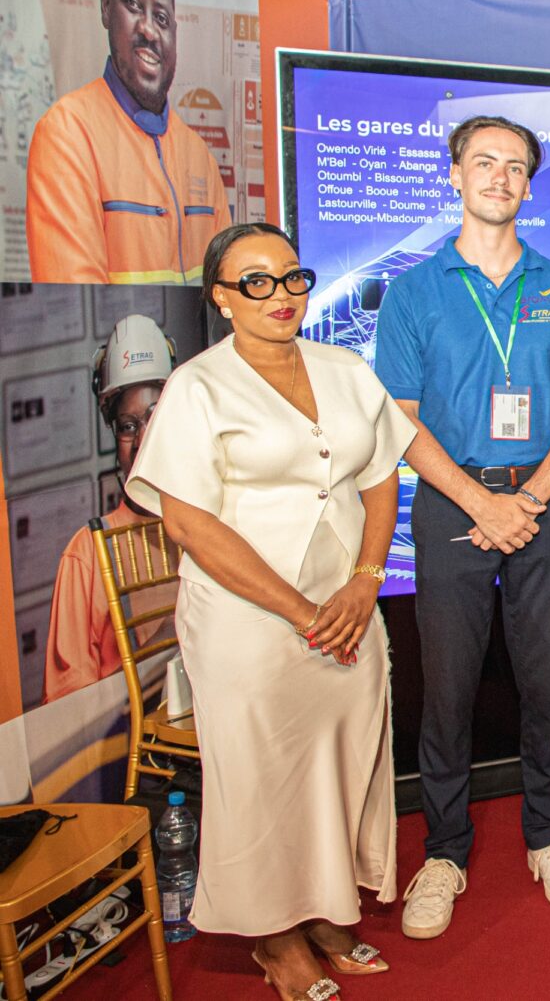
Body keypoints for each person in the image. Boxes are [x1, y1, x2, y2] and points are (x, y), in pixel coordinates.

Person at [125, 222, 415, 1001]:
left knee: (342, 761)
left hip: (347, 606)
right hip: (247, 618)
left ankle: (326, 910)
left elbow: (381, 475)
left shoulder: (344, 367)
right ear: (221, 297)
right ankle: (276, 938)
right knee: (261, 778)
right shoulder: (197, 387)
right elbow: (189, 525)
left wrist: (366, 579)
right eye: (255, 281)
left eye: (291, 277)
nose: (279, 295)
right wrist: (299, 609)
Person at [375, 115, 550, 939]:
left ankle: (548, 833)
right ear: (455, 175)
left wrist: (527, 499)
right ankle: (444, 851)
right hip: (450, 507)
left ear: (529, 185)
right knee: (447, 688)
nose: (499, 177)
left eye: (514, 166)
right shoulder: (415, 290)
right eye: (484, 162)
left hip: (542, 502)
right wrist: (480, 503)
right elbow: (399, 419)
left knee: (544, 678)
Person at [26, 0, 230, 285]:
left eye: (161, 18)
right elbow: (76, 295)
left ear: (175, 34)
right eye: (133, 4)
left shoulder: (199, 157)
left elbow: (228, 290)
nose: (149, 30)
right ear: (106, 6)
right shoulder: (67, 134)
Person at [44, 313, 178, 703]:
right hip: (135, 738)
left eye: (155, 417)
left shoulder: (210, 522)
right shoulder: (88, 553)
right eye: (128, 426)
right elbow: (71, 708)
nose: (141, 439)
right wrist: (160, 647)